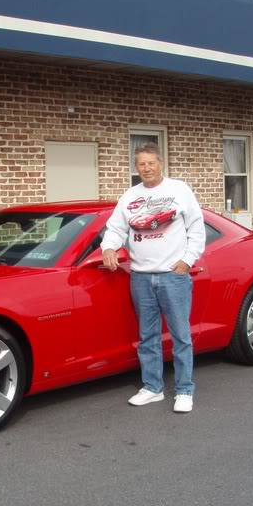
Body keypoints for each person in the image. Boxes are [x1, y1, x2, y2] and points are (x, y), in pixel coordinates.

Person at [100, 143, 205, 413]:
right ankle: (152, 388)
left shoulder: (178, 190)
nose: (146, 168)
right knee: (148, 337)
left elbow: (196, 227)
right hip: (141, 277)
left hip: (173, 276)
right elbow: (115, 228)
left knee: (181, 336)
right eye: (141, 165)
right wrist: (108, 247)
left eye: (150, 163)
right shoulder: (130, 196)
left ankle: (184, 391)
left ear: (161, 163)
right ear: (136, 168)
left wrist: (187, 261)